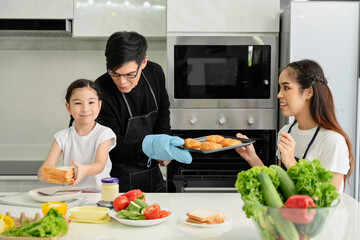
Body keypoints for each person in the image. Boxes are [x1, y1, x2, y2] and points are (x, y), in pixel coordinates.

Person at [236, 59, 353, 193]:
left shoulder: (333, 141)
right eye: (280, 88)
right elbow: (279, 189)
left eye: (286, 88)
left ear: (309, 92)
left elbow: (327, 200)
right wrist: (253, 158)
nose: (279, 94)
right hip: (289, 213)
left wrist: (291, 163)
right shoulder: (287, 132)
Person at [95, 31, 191, 193]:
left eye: (130, 74)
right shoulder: (101, 91)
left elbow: (162, 111)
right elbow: (112, 149)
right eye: (115, 74)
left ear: (144, 62)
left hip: (153, 174)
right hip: (119, 183)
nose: (122, 81)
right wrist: (150, 148)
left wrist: (164, 145)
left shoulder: (155, 73)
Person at [38, 79, 117, 192]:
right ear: (68, 107)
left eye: (91, 102)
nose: (85, 109)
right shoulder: (61, 137)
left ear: (99, 105)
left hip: (100, 194)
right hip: (70, 195)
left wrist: (84, 169)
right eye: (78, 103)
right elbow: (45, 169)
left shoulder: (104, 133)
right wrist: (45, 174)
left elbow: (99, 165)